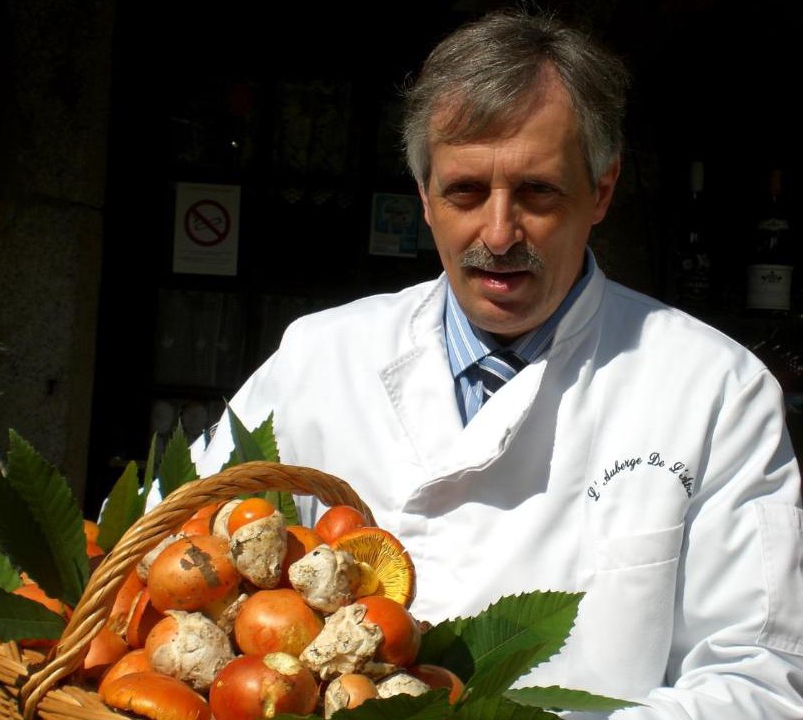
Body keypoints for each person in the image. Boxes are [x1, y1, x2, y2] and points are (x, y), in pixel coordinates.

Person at [191, 8, 803, 718]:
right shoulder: (321, 359)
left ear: (601, 189)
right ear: (424, 198)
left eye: (537, 191)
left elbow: (761, 675)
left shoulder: (713, 390)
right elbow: (179, 557)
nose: (500, 232)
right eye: (466, 192)